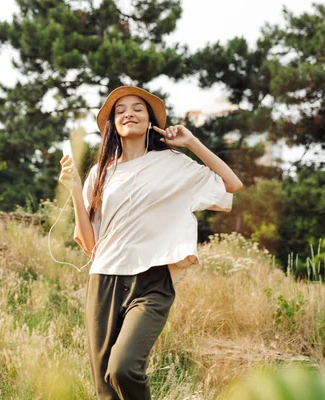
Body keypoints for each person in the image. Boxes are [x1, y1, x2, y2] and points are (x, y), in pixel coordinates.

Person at [59, 86, 243, 400]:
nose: (128, 113)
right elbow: (90, 244)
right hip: (103, 279)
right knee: (105, 387)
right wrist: (76, 191)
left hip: (153, 282)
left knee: (123, 368)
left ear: (150, 121)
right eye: (120, 111)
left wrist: (191, 143)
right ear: (113, 125)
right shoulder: (101, 173)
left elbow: (232, 184)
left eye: (137, 109)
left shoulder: (174, 164)